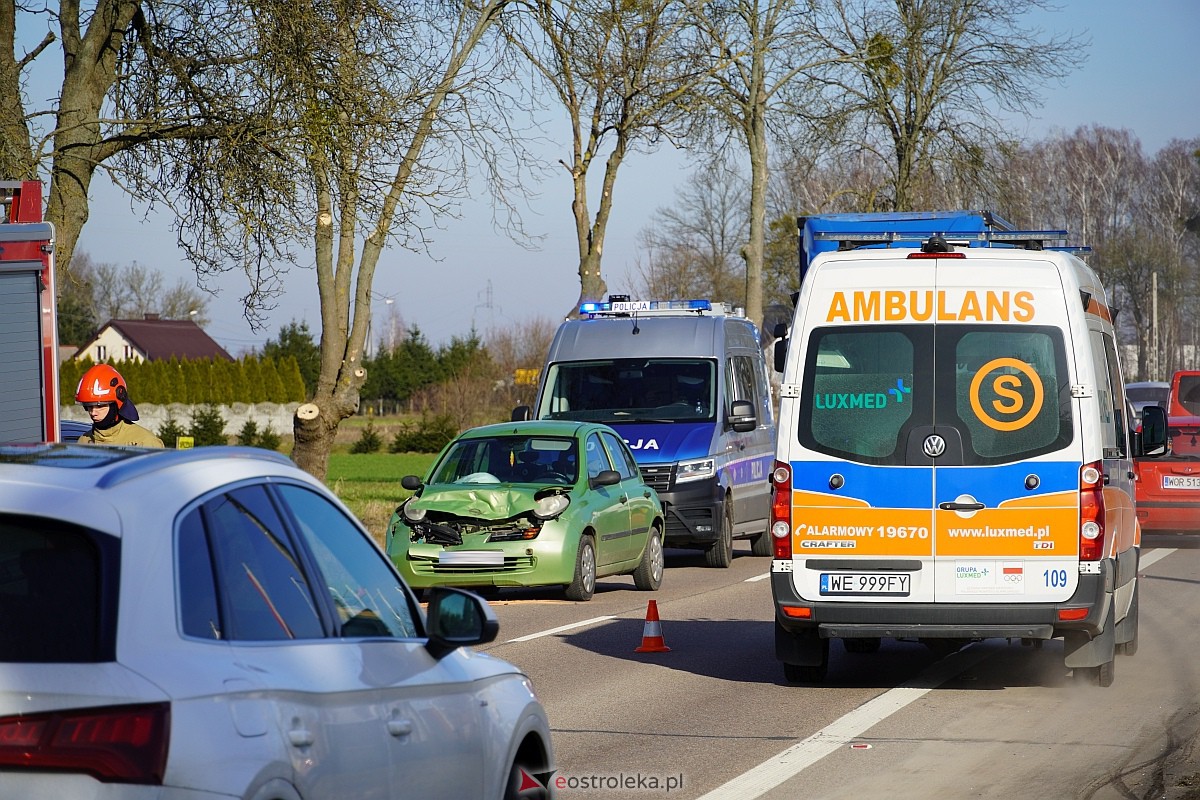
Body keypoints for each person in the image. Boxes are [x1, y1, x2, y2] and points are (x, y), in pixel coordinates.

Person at [74, 364, 164, 447]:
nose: (93, 412)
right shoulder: (83, 441)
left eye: (100, 406)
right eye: (89, 406)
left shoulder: (145, 443)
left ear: (115, 405)